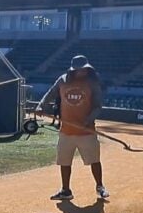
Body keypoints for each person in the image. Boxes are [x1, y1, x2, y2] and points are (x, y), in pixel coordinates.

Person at [36, 55, 108, 201]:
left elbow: (97, 106)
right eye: (80, 70)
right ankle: (65, 190)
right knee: (64, 161)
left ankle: (100, 187)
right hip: (66, 131)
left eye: (85, 69)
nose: (82, 72)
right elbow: (51, 93)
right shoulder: (62, 80)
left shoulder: (92, 83)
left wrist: (88, 121)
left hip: (86, 132)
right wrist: (41, 105)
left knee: (94, 160)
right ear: (73, 70)